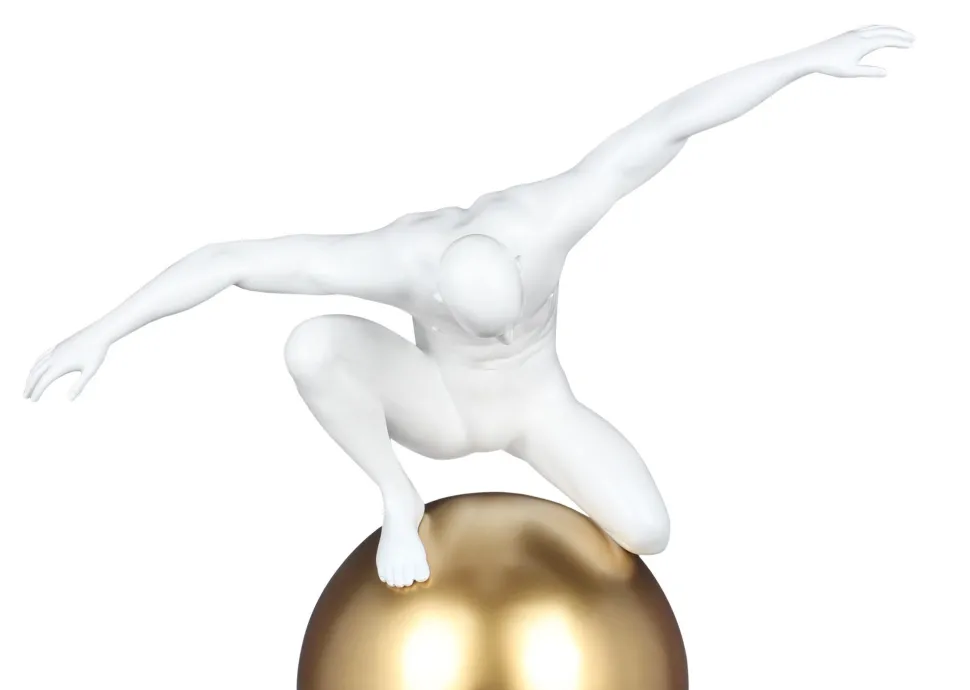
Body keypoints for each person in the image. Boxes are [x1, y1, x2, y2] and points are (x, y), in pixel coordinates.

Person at [24, 26, 913, 586]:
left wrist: (807, 60)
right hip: (441, 410)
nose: (506, 324)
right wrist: (103, 332)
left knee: (650, 529)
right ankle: (396, 494)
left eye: (516, 309)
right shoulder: (399, 260)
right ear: (438, 294)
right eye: (484, 321)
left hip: (539, 406)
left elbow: (672, 122)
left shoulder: (549, 219)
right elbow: (232, 262)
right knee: (311, 344)